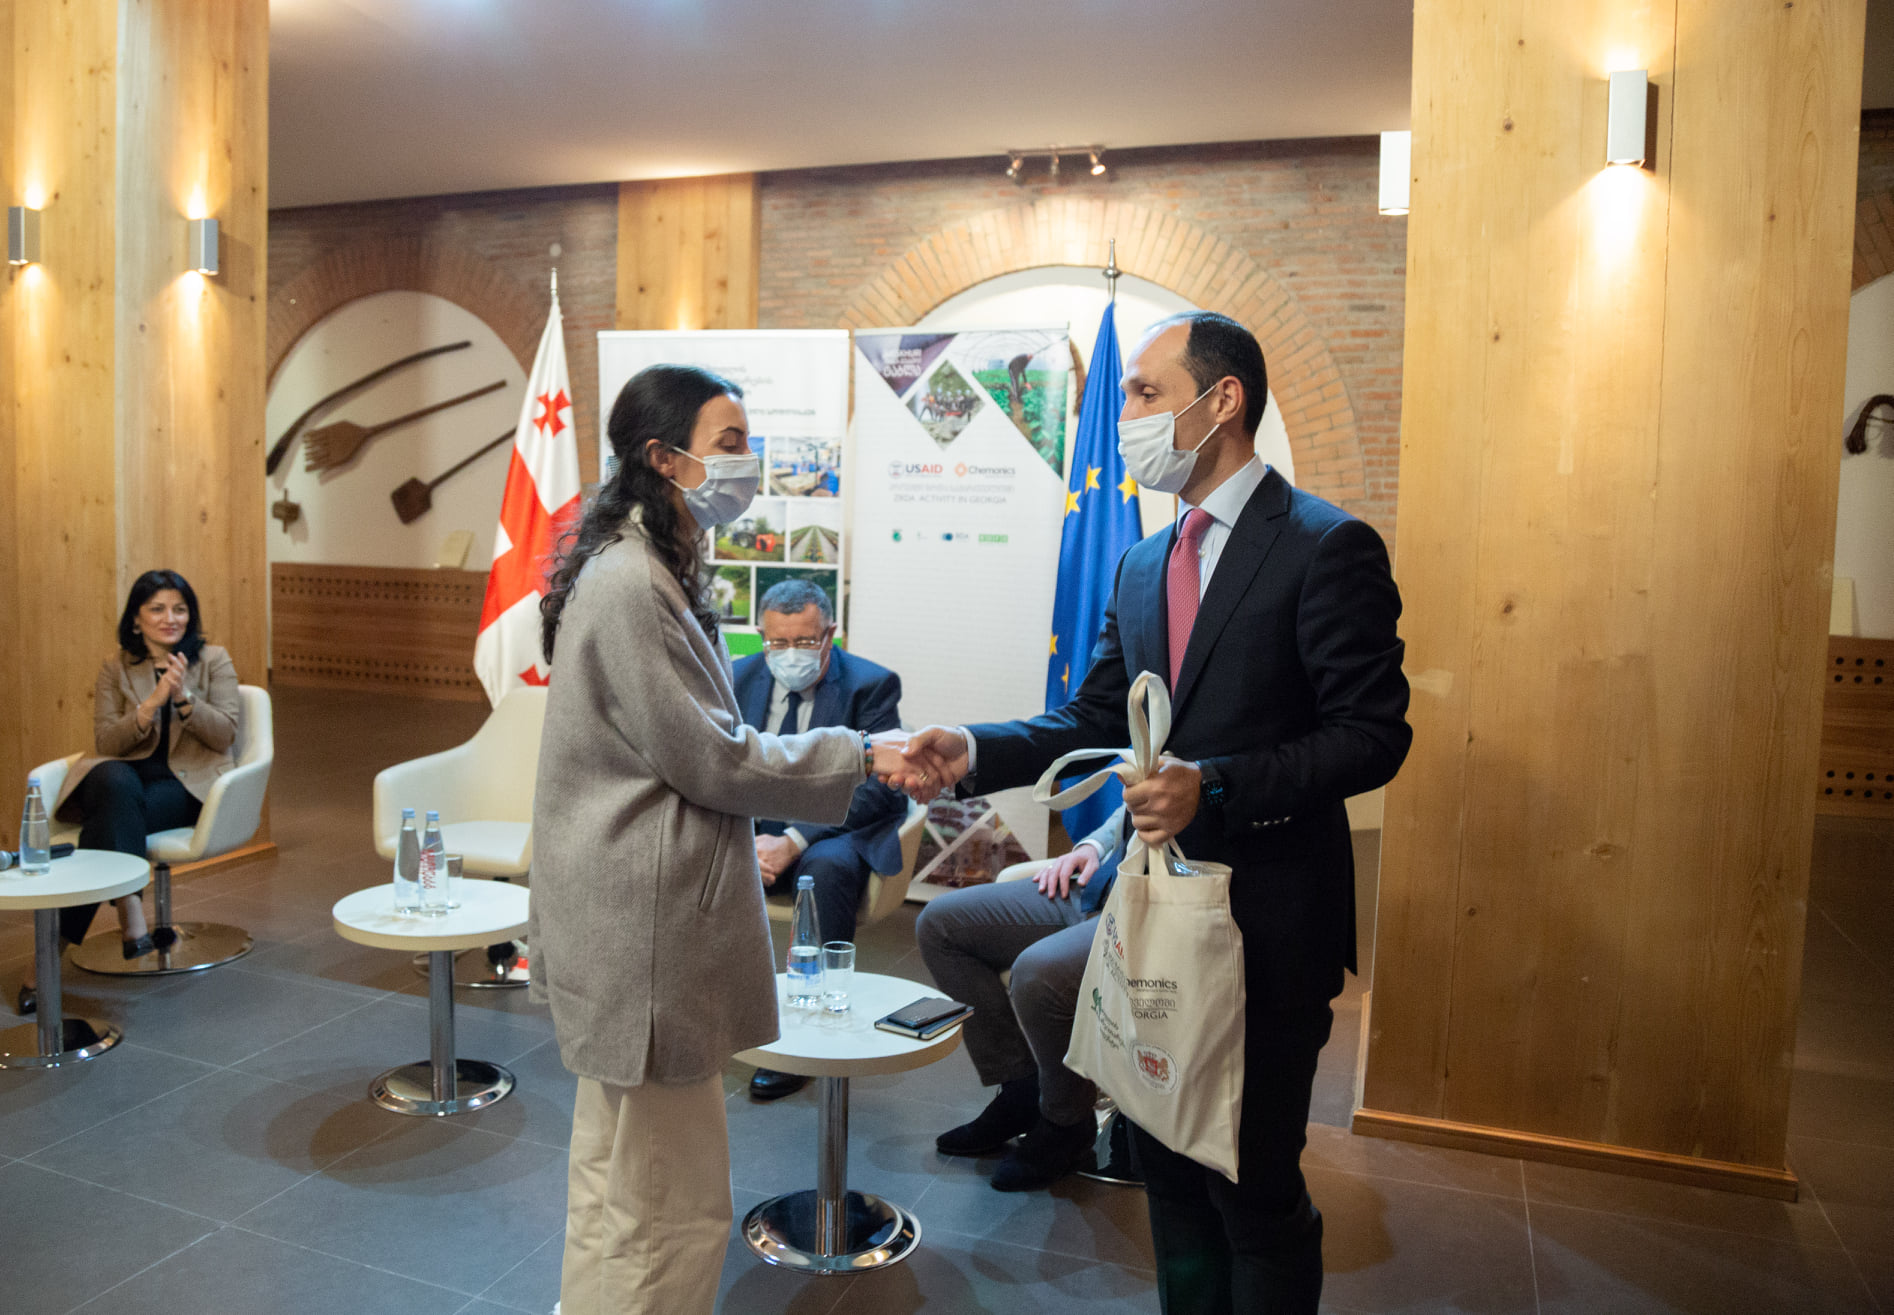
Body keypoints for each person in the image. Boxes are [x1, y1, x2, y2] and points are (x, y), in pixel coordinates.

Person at [897, 311, 1411, 1314]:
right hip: (1150, 927)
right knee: (1166, 1174)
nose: (1123, 414)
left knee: (1251, 1188)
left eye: (1142, 393)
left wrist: (1211, 782)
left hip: (1268, 928)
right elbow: (1091, 716)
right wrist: (976, 749)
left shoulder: (1325, 545)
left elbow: (1371, 736)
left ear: (1222, 400)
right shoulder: (1142, 562)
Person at [528, 364, 911, 1315]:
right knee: (671, 1212)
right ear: (665, 458)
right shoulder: (633, 584)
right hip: (647, 939)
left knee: (616, 1188)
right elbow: (714, 757)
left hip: (628, 929)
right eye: (730, 442)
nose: (749, 461)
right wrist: (865, 753)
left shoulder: (638, 567)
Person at [18, 570, 242, 1015]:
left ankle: (51, 955)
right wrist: (152, 702)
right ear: (137, 620)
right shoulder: (116, 666)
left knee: (104, 829)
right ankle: (129, 910)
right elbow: (107, 742)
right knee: (113, 781)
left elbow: (225, 734)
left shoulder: (213, 660)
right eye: (157, 609)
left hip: (184, 787)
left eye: (179, 609)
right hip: (123, 782)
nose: (170, 618)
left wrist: (184, 698)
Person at [734, 578, 909, 1101]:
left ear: (830, 634)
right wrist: (743, 843)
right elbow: (717, 769)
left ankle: (809, 1035)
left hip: (833, 827)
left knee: (825, 870)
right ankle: (702, 1015)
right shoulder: (736, 677)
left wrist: (793, 839)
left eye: (805, 641)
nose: (790, 654)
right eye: (778, 642)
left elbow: (879, 786)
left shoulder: (870, 685)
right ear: (762, 637)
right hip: (751, 824)